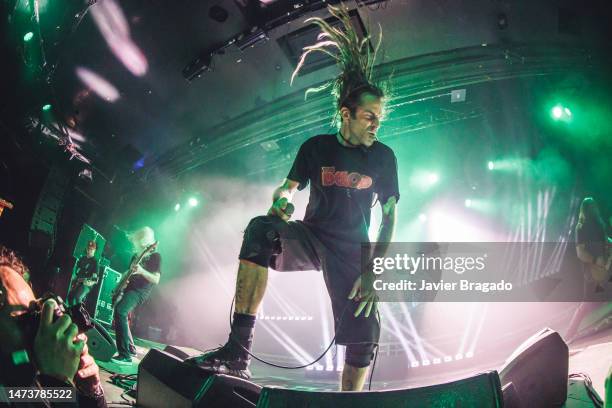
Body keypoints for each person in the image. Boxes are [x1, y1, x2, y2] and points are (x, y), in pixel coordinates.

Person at [188, 5, 399, 391]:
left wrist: (373, 270)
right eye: (369, 116)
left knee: (365, 331)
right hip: (311, 237)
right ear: (346, 113)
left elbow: (389, 217)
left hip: (353, 251)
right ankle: (238, 353)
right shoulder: (315, 148)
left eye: (379, 117)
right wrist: (281, 199)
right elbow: (287, 189)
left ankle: (348, 400)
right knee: (259, 230)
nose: (376, 124)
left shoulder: (384, 157)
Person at [0, 244, 106, 407]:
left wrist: (90, 392)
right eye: (23, 320)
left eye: (36, 313)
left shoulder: (17, 373)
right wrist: (58, 381)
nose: (39, 329)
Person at [111, 227, 160, 364]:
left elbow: (156, 279)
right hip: (129, 289)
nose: (136, 242)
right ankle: (131, 348)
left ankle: (124, 355)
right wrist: (117, 286)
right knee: (121, 314)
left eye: (140, 239)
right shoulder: (135, 256)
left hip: (140, 292)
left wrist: (142, 271)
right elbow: (128, 273)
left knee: (121, 311)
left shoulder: (155, 256)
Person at [566, 197, 611, 342]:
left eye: (595, 206)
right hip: (593, 271)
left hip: (606, 265)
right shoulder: (581, 228)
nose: (594, 209)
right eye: (591, 207)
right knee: (587, 303)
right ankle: (569, 335)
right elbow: (580, 252)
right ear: (585, 210)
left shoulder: (599, 224)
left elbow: (605, 240)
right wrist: (594, 261)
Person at [68, 241, 99, 307]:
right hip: (79, 281)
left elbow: (94, 279)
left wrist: (89, 282)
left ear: (94, 250)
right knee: (70, 296)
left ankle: (79, 314)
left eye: (92, 249)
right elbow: (76, 271)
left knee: (78, 297)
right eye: (89, 248)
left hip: (86, 285)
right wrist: (74, 278)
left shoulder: (95, 262)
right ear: (86, 249)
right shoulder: (82, 258)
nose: (90, 250)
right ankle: (72, 311)